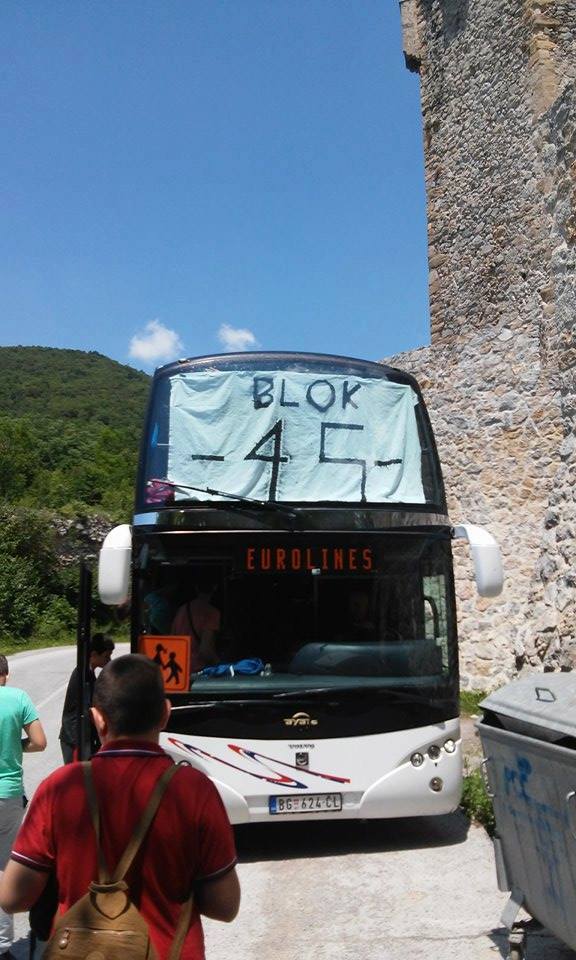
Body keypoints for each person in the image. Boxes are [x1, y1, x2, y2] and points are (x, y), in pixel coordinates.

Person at [0, 655, 240, 960]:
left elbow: (13, 897)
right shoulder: (194, 789)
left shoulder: (59, 788)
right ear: (165, 714)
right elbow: (225, 906)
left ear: (97, 718)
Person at [0, 654, 46, 959]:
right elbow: (39, 742)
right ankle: (2, 945)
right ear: (5, 674)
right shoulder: (18, 698)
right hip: (8, 794)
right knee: (3, 866)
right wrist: (16, 746)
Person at [58, 633, 115, 763]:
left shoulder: (88, 672)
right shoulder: (83, 675)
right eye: (106, 656)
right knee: (78, 774)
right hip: (76, 738)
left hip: (82, 736)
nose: (109, 660)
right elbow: (89, 709)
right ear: (94, 654)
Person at [171, 576, 220, 671]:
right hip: (198, 669)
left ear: (196, 588)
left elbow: (172, 639)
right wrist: (219, 663)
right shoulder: (212, 613)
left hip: (180, 667)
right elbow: (205, 651)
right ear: (215, 587)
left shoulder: (181, 610)